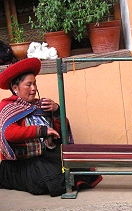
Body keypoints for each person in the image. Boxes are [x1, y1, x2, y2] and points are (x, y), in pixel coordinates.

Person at [0, 58, 102, 197]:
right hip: (21, 164)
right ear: (15, 88)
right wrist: (42, 130)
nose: (34, 88)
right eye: (28, 85)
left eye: (35, 84)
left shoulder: (40, 105)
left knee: (75, 163)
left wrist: (56, 111)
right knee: (50, 173)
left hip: (44, 156)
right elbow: (9, 133)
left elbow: (60, 132)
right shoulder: (8, 107)